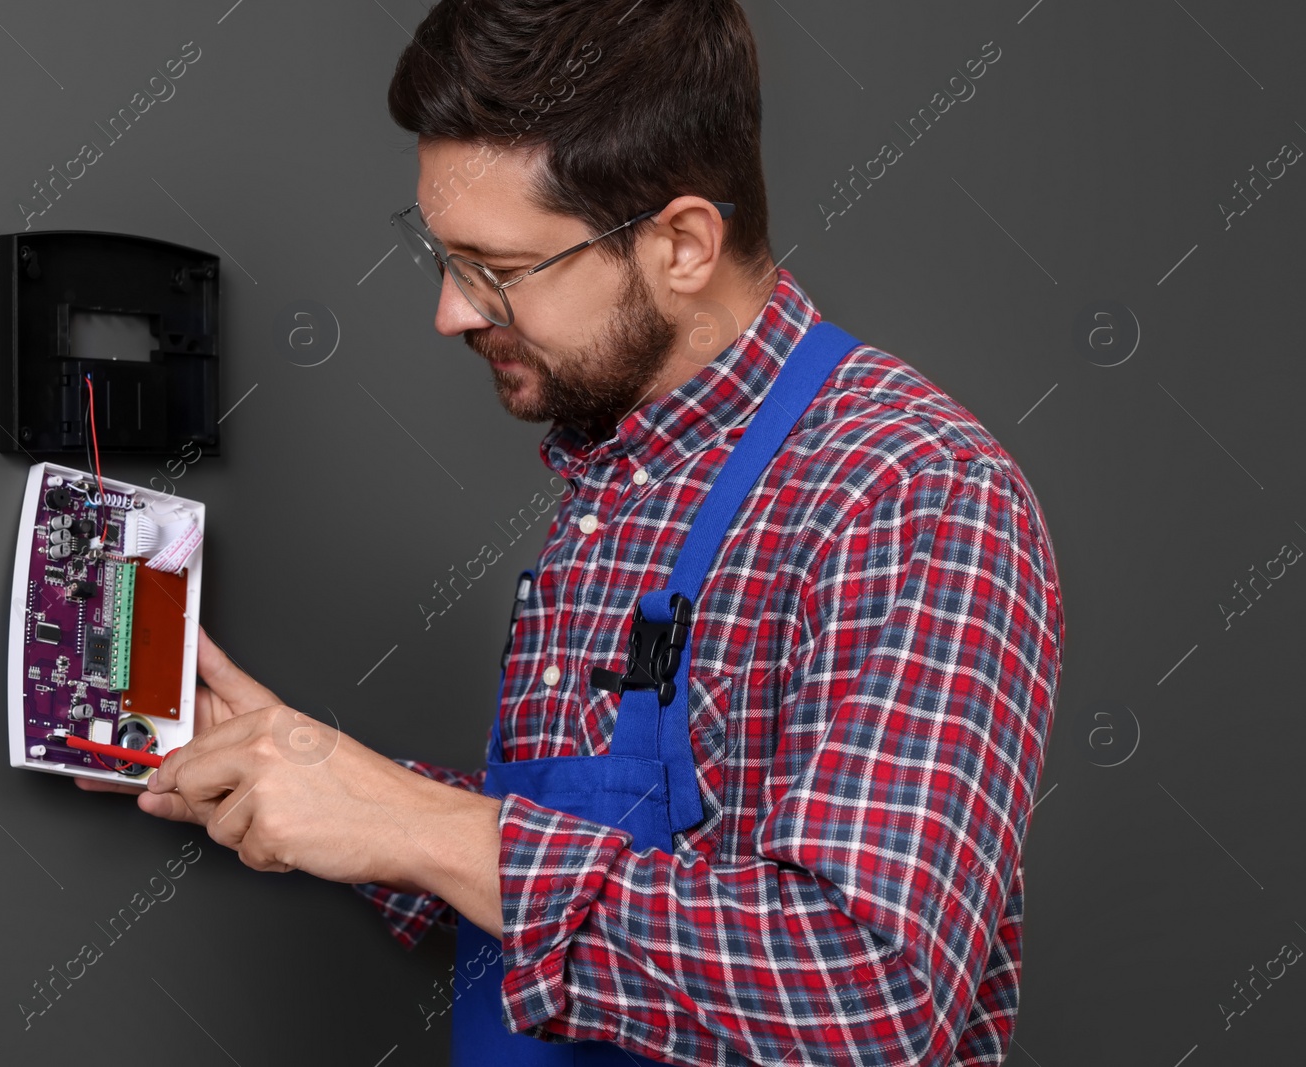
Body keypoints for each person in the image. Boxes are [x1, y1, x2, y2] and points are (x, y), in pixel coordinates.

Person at [80, 1, 1065, 1063]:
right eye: (441, 256)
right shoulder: (620, 473)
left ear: (682, 243)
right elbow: (561, 872)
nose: (453, 314)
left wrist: (418, 823)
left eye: (497, 268)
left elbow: (869, 994)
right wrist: (310, 770)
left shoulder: (910, 490)